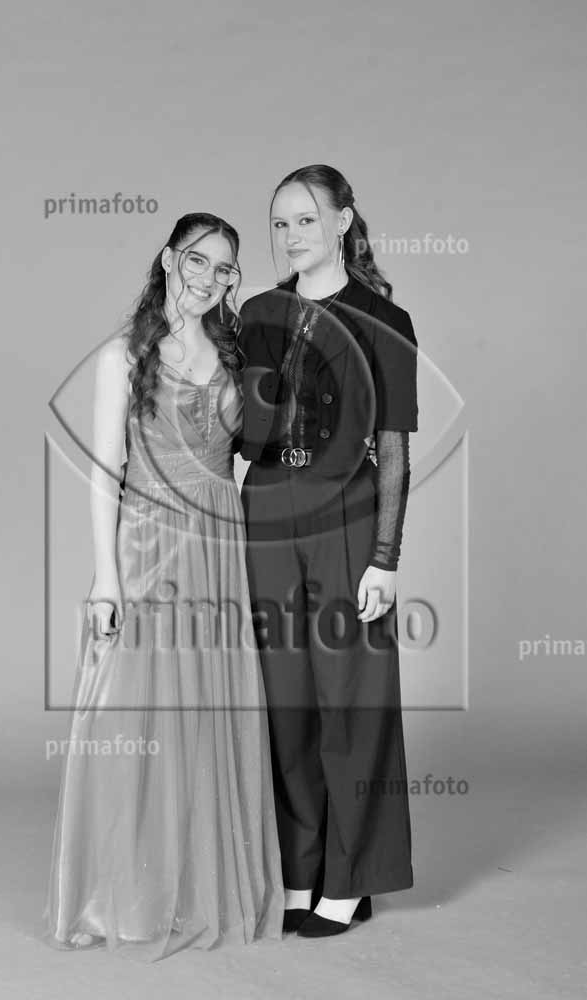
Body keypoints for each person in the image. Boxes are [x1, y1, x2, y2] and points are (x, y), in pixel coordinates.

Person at [43, 213, 284, 960]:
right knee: (138, 715)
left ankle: (196, 886)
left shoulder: (234, 350)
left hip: (220, 542)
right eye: (196, 260)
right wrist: (106, 579)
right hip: (150, 542)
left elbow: (261, 442)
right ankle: (128, 891)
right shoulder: (124, 355)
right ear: (168, 259)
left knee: (208, 713)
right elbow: (104, 472)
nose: (208, 277)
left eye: (224, 267)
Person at [237, 165, 418, 937]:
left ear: (343, 220)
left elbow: (394, 447)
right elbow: (236, 423)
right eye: (280, 223)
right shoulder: (257, 313)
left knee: (351, 696)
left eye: (306, 219)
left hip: (346, 508)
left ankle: (352, 875)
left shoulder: (384, 318)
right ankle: (299, 867)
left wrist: (386, 555)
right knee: (286, 700)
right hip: (267, 507)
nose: (290, 235)